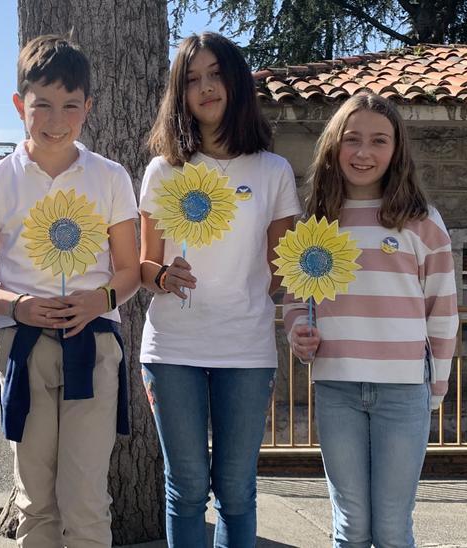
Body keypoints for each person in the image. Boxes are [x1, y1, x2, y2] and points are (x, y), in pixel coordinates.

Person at [0, 35, 140, 548]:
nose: (56, 119)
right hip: (23, 347)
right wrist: (18, 305)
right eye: (42, 104)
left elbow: (128, 270)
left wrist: (99, 301)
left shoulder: (110, 177)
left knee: (86, 500)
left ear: (88, 106)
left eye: (70, 105)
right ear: (20, 106)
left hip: (95, 345)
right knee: (35, 500)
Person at [137, 32, 300, 547]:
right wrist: (164, 277)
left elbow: (284, 269)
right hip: (172, 348)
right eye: (191, 79)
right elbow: (144, 266)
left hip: (247, 350)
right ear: (178, 95)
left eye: (215, 74)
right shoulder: (164, 170)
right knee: (184, 489)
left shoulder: (273, 171)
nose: (205, 87)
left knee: (236, 491)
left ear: (235, 81)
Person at [282, 92, 459, 547]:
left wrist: (433, 390)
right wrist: (297, 332)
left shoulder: (422, 223)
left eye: (379, 140)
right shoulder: (316, 221)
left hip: (404, 394)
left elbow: (442, 312)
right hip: (336, 389)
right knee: (351, 526)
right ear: (333, 147)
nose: (364, 153)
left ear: (396, 150)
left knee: (391, 527)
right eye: (352, 139)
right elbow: (297, 299)